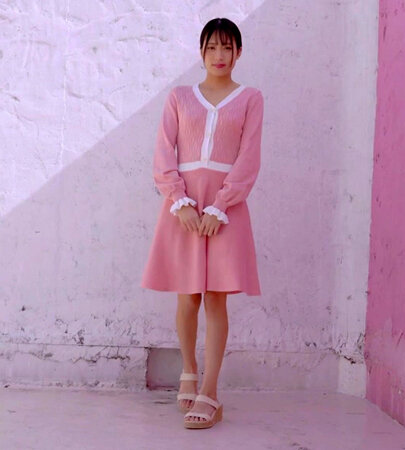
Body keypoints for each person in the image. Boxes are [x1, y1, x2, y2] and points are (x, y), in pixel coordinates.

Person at [141, 17, 264, 430]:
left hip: (225, 208)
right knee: (187, 296)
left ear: (239, 52)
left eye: (227, 47)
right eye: (212, 47)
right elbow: (164, 152)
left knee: (215, 298)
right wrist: (179, 202)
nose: (219, 55)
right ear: (201, 52)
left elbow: (248, 158)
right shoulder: (179, 97)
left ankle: (210, 391)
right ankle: (189, 372)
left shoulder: (250, 99)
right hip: (185, 206)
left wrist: (221, 206)